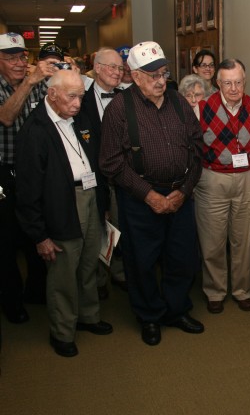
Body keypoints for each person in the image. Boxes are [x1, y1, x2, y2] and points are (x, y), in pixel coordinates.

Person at [100, 41, 205, 346]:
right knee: (142, 261)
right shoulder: (119, 109)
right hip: (140, 199)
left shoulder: (179, 103)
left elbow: (198, 151)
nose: (161, 80)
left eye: (163, 73)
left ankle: (175, 310)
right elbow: (111, 162)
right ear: (134, 76)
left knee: (182, 258)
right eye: (152, 75)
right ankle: (149, 315)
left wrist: (183, 192)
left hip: (180, 195)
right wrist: (149, 195)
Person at [15, 69, 112, 357]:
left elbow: (95, 159)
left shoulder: (80, 118)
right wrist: (40, 235)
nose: (78, 103)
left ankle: (89, 316)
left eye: (81, 96)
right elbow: (28, 191)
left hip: (90, 198)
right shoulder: (34, 131)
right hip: (60, 204)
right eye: (71, 97)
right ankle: (62, 332)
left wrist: (102, 204)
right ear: (52, 94)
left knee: (89, 263)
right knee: (63, 273)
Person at [195, 58, 250, 314]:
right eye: (227, 83)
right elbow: (192, 149)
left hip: (248, 180)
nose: (233, 88)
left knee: (243, 240)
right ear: (217, 83)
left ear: (244, 81)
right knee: (212, 242)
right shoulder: (202, 107)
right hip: (212, 180)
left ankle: (242, 290)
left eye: (238, 82)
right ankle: (214, 291)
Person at [0, 33, 52, 323]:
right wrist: (29, 83)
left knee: (36, 233)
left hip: (34, 172)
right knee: (7, 241)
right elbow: (6, 116)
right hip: (3, 173)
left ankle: (36, 290)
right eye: (11, 58)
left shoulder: (38, 85)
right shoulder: (25, 85)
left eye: (22, 57)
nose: (19, 63)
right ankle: (11, 300)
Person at [81, 47, 126, 299]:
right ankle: (97, 280)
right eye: (111, 67)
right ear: (97, 68)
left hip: (120, 177)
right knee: (95, 229)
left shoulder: (126, 98)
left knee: (119, 228)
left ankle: (119, 273)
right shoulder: (81, 99)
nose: (117, 72)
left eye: (120, 68)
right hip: (92, 176)